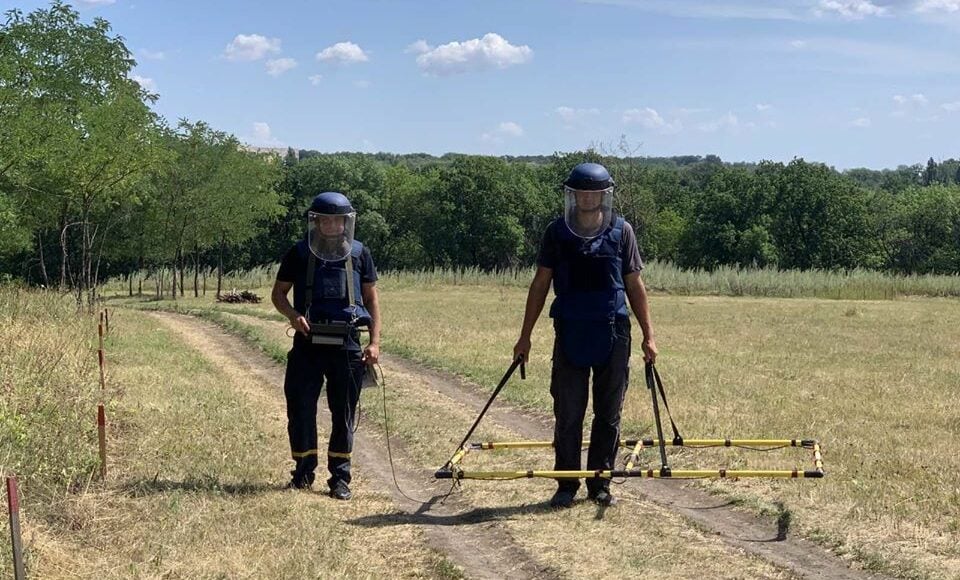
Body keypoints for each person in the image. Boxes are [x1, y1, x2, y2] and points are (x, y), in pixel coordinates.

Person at [513, 162, 657, 508]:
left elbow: (635, 286)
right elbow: (540, 284)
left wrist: (649, 336)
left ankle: (600, 483)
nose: (588, 198)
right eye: (582, 192)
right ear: (572, 195)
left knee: (608, 413)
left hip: (614, 330)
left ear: (604, 196)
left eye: (595, 192)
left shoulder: (623, 232)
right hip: (570, 330)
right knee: (568, 411)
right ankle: (566, 483)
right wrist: (525, 336)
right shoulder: (556, 233)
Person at [271, 191, 381, 500]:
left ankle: (340, 479)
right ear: (315, 221)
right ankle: (303, 472)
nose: (331, 226)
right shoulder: (298, 253)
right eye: (325, 220)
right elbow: (278, 294)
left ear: (346, 223)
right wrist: (293, 316)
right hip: (307, 345)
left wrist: (374, 342)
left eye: (337, 220)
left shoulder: (360, 253)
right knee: (301, 408)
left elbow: (372, 299)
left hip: (347, 345)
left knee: (343, 412)